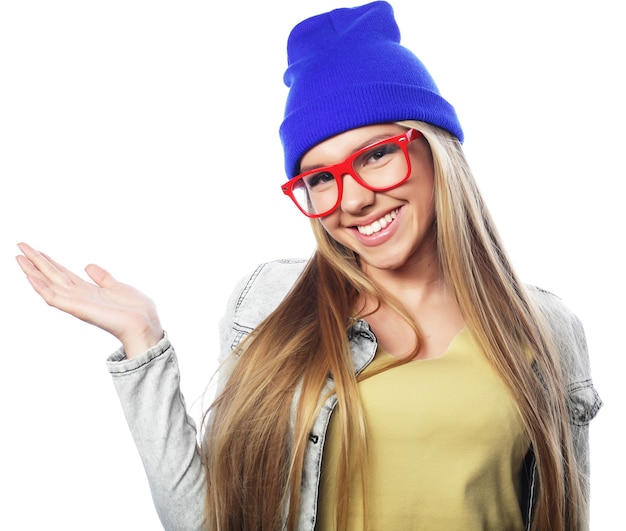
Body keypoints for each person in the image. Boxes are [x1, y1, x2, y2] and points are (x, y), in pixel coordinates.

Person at [16, 2, 602, 530]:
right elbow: (211, 523)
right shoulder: (269, 304)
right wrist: (142, 343)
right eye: (320, 178)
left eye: (375, 156)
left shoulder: (546, 331)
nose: (351, 200)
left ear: (435, 148)